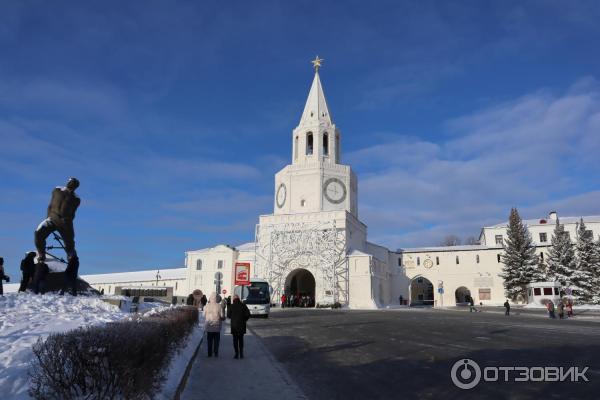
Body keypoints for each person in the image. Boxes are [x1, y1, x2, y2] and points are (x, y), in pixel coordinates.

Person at [34, 178, 81, 262]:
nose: (71, 184)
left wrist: (67, 221)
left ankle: (72, 260)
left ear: (76, 187)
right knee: (38, 233)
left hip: (65, 222)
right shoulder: (57, 190)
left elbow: (73, 213)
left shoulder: (76, 199)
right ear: (68, 182)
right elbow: (50, 205)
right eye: (71, 182)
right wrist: (48, 216)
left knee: (70, 244)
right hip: (52, 219)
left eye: (74, 184)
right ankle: (41, 253)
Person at [229, 294, 250, 359]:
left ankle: (236, 354)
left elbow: (228, 315)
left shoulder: (231, 306)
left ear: (234, 299)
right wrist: (244, 320)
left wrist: (233, 318)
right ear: (239, 299)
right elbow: (248, 314)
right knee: (241, 340)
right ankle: (241, 353)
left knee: (235, 340)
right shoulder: (243, 305)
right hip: (241, 325)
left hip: (234, 326)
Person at [204, 292, 224, 358]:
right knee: (216, 341)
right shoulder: (219, 306)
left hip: (209, 325)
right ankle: (216, 352)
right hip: (217, 326)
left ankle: (209, 353)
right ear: (217, 298)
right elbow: (222, 315)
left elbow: (203, 315)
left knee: (209, 341)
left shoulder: (206, 306)